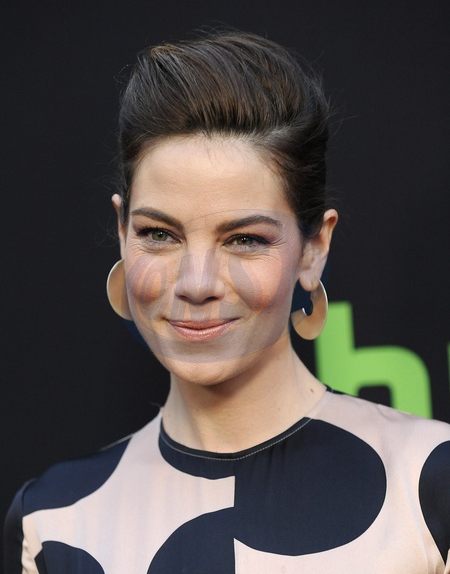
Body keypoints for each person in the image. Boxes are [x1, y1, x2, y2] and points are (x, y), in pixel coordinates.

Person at [4, 31, 450, 574]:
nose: (197, 284)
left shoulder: (430, 485)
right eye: (159, 234)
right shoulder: (53, 521)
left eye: (244, 239)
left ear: (314, 249)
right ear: (121, 231)